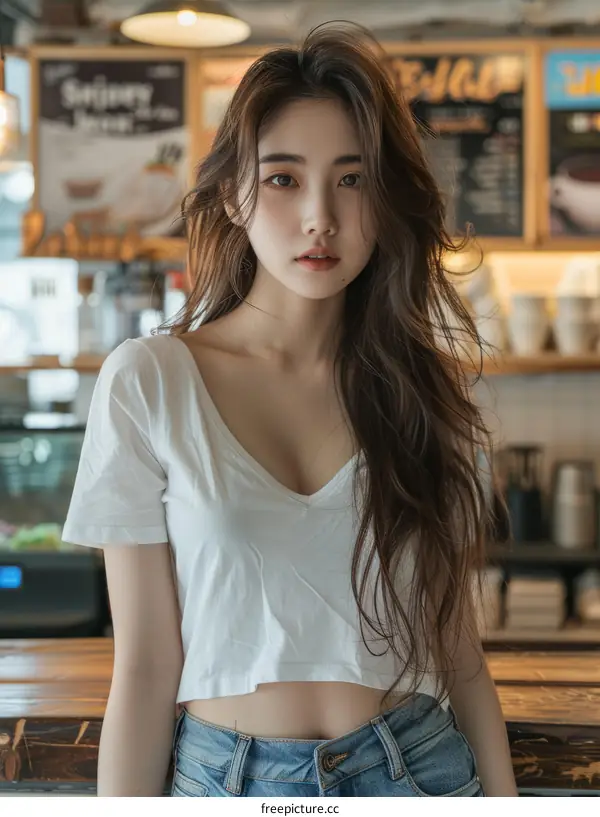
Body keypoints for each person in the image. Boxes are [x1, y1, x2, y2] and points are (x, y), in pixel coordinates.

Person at [62, 23, 517, 798]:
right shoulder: (150, 381)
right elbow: (144, 665)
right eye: (282, 178)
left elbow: (459, 654)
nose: (319, 216)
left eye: (352, 179)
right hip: (228, 780)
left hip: (416, 770)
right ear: (232, 194)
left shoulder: (422, 389)